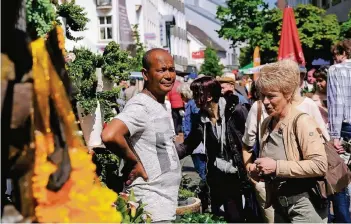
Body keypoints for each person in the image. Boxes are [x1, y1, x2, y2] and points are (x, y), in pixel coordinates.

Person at [101, 48, 181, 222]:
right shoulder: (141, 106)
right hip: (151, 206)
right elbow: (110, 134)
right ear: (145, 74)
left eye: (171, 69)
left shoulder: (158, 104)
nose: (168, 75)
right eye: (161, 70)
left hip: (163, 205)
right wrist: (133, 161)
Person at [248, 60, 328, 223]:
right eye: (262, 95)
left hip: (305, 206)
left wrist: (276, 167)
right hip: (279, 204)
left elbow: (320, 165)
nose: (265, 101)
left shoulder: (301, 121)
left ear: (287, 94)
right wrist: (259, 170)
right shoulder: (267, 123)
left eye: (271, 96)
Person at [176, 77, 261, 223]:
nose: (193, 98)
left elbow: (253, 142)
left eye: (197, 94)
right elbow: (188, 145)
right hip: (219, 177)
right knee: (227, 217)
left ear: (209, 96)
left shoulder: (237, 111)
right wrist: (168, 156)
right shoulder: (200, 120)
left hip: (242, 174)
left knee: (251, 215)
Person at [327, 39, 351, 223]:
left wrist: (335, 136)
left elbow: (337, 103)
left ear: (343, 53)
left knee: (339, 179)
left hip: (345, 128)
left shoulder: (336, 70)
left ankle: (344, 220)